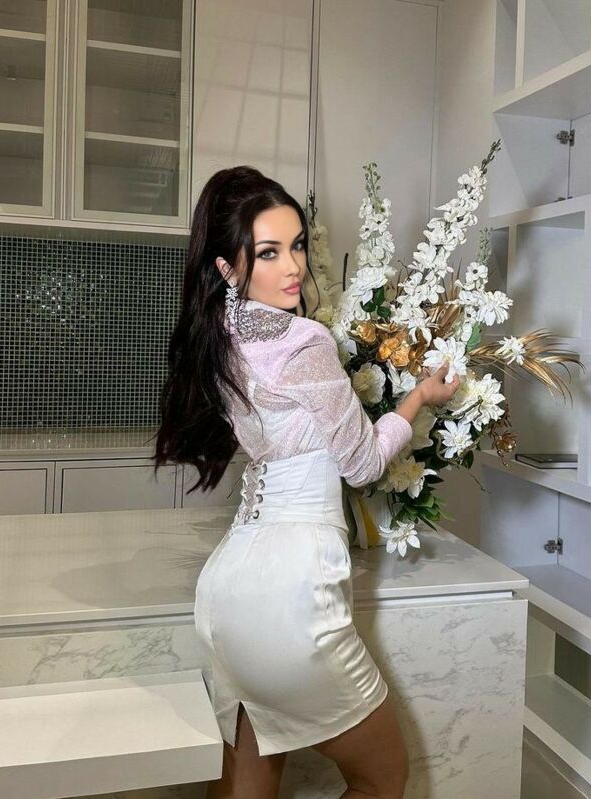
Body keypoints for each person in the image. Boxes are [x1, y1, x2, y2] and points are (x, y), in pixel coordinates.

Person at [153, 166, 460, 799]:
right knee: (382, 778)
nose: (294, 267)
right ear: (227, 268)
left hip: (227, 595)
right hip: (291, 603)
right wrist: (417, 400)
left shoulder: (220, 338)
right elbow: (363, 465)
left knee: (248, 785)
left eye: (296, 245)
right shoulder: (304, 342)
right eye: (268, 252)